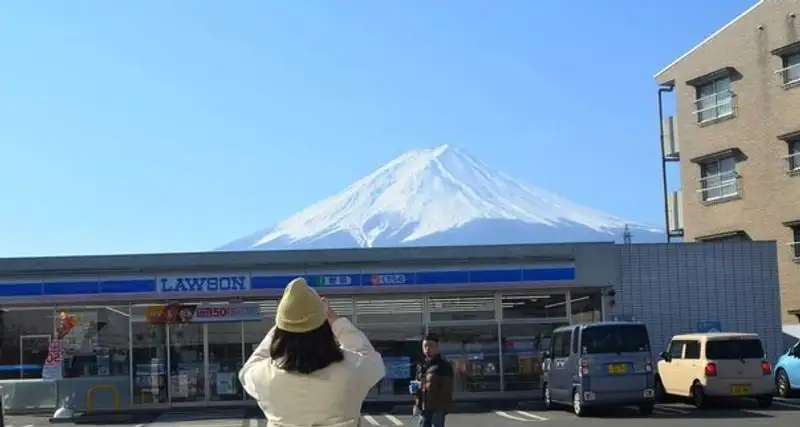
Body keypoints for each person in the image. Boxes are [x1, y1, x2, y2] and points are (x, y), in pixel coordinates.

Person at [239, 277, 386, 427]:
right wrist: (333, 317)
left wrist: (287, 320)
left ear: (281, 331)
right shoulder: (353, 368)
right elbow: (372, 359)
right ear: (325, 328)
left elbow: (248, 369)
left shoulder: (264, 376)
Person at [411, 333, 454, 427]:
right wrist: (415, 389)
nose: (427, 349)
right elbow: (420, 385)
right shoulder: (421, 366)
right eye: (425, 346)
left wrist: (441, 409)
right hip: (423, 407)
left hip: (437, 409)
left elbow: (446, 391)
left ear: (437, 348)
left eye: (430, 346)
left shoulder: (443, 366)